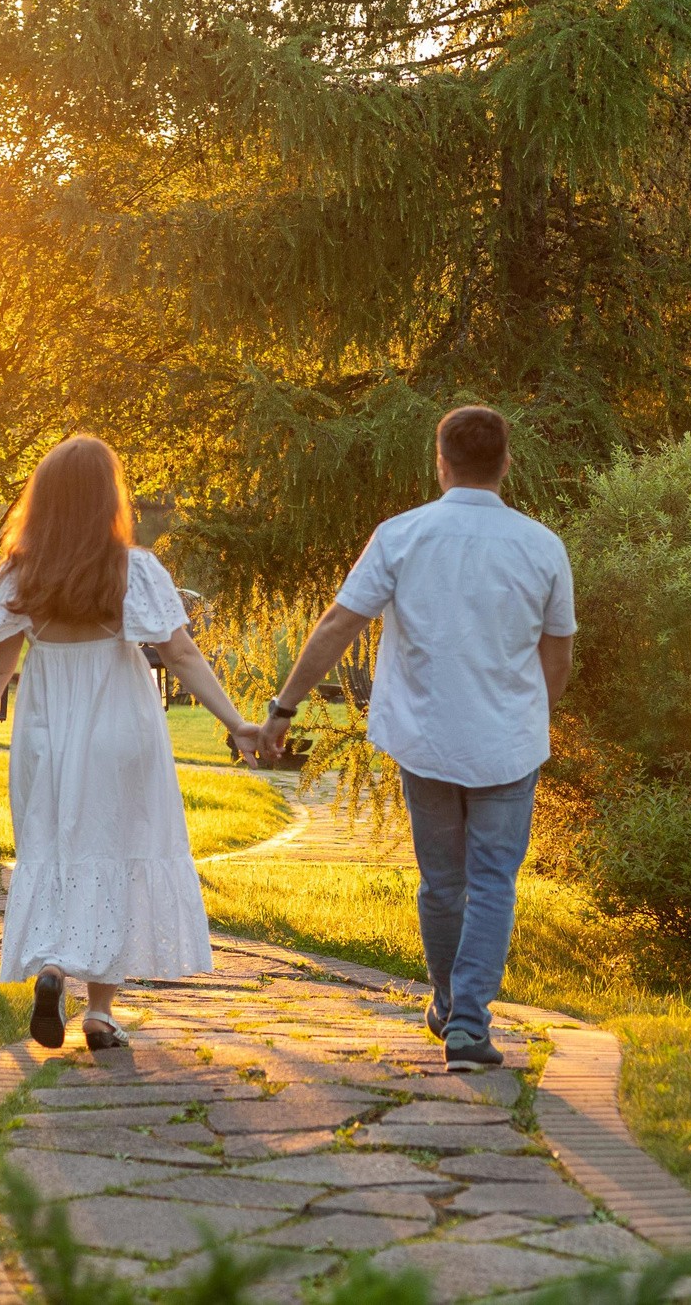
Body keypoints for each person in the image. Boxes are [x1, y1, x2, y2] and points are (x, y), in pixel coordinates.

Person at [253, 406, 574, 1069]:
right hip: (509, 741)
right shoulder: (542, 545)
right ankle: (467, 1022)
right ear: (507, 462)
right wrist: (533, 713)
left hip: (425, 737)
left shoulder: (401, 535)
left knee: (440, 880)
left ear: (441, 462)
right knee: (491, 882)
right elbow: (559, 651)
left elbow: (340, 620)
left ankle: (451, 1002)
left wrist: (284, 706)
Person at [0, 435, 261, 1051]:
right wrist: (234, 721)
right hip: (121, 722)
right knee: (117, 848)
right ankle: (98, 1012)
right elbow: (181, 654)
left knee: (59, 847)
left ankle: (55, 967)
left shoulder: (19, 573)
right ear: (106, 498)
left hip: (46, 730)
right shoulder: (133, 569)